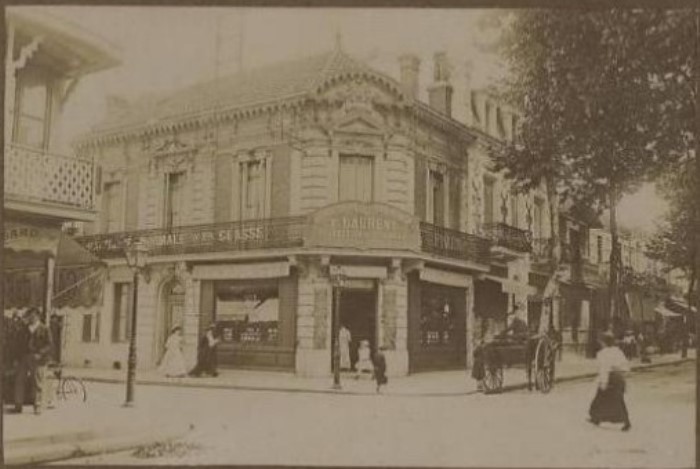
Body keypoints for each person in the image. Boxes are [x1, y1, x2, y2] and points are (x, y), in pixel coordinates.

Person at [588, 331, 631, 431]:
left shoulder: (602, 354)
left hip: (610, 377)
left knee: (600, 398)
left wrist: (603, 382)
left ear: (603, 343)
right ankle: (596, 418)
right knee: (617, 399)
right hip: (619, 377)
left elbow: (604, 368)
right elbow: (626, 366)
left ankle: (596, 417)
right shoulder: (618, 351)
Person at [14, 308, 53, 415]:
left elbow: (49, 345)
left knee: (37, 382)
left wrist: (40, 353)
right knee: (19, 380)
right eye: (29, 315)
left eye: (32, 315)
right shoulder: (24, 329)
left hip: (38, 358)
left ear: (37, 316)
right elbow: (18, 345)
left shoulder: (45, 329)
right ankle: (18, 404)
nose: (30, 317)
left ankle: (38, 406)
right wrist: (17, 359)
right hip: (24, 357)